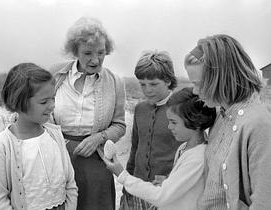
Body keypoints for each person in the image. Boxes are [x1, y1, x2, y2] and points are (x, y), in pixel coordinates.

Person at [184, 34, 271, 209]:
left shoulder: (258, 124)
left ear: (222, 78)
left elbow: (263, 202)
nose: (194, 91)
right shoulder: (221, 115)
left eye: (199, 84)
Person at [50, 17, 126, 210]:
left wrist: (98, 138)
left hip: (96, 159)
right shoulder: (55, 74)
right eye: (87, 53)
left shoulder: (116, 82)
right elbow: (41, 113)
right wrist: (59, 141)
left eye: (101, 53)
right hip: (58, 155)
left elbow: (120, 126)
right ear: (75, 52)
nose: (95, 59)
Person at [103, 87, 216, 210]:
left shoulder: (197, 158)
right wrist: (168, 181)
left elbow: (162, 197)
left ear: (196, 122)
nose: (169, 126)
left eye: (174, 122)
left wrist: (122, 174)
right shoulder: (184, 148)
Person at [0, 63, 78, 210]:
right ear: (19, 102)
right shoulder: (1, 145)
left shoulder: (55, 135)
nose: (52, 105)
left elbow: (70, 184)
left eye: (53, 98)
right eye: (44, 101)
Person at [122, 50, 181, 209]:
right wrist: (127, 184)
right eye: (142, 84)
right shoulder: (140, 109)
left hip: (166, 193)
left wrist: (171, 180)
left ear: (168, 81)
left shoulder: (181, 111)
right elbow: (135, 149)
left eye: (153, 84)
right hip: (137, 189)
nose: (147, 90)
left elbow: (190, 155)